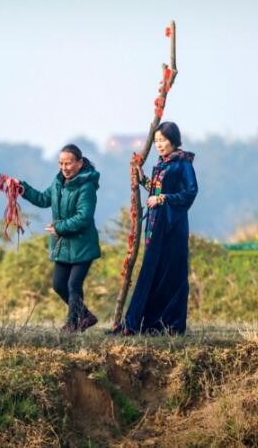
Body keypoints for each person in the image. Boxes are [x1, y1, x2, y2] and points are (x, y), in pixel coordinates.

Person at [120, 121, 198, 335]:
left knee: (171, 274)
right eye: (156, 142)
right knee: (151, 272)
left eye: (162, 140)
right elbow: (154, 190)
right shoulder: (162, 164)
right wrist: (142, 178)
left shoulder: (184, 164)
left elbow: (190, 193)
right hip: (155, 227)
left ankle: (170, 324)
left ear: (173, 140)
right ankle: (140, 323)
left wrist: (163, 198)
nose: (159, 145)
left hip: (173, 228)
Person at [18, 144, 101, 333]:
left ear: (80, 163)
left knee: (73, 285)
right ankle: (86, 316)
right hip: (62, 246)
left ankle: (72, 325)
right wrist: (22, 188)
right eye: (61, 163)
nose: (64, 167)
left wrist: (59, 228)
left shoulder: (86, 187)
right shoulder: (58, 183)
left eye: (69, 163)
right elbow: (42, 199)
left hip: (83, 245)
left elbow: (84, 217)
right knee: (58, 285)